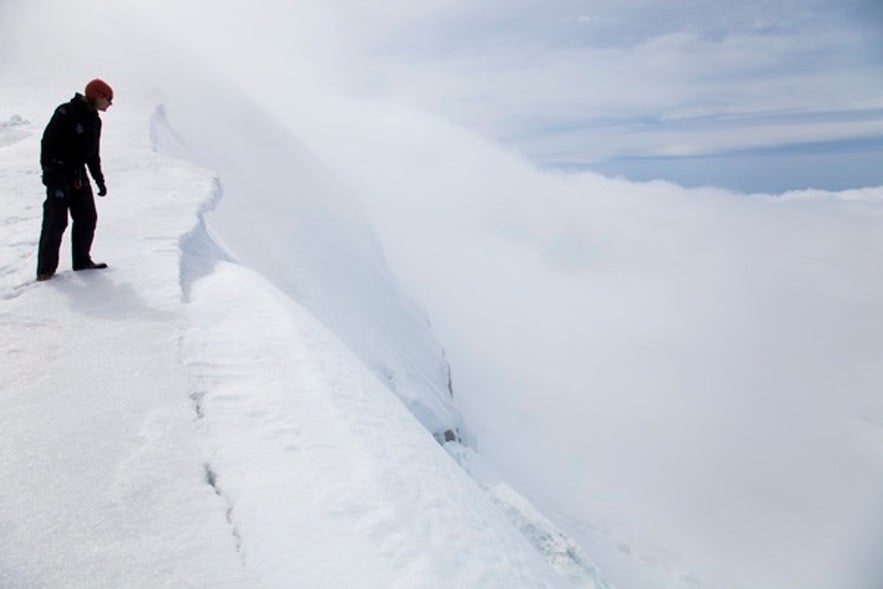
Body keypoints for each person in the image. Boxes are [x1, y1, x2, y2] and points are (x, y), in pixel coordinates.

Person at [36, 78, 114, 281]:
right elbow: (47, 142)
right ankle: (45, 270)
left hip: (78, 174)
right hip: (58, 172)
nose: (110, 104)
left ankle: (81, 261)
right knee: (56, 221)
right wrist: (49, 171)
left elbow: (93, 154)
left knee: (87, 217)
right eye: (108, 99)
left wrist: (99, 180)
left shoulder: (95, 120)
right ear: (97, 95)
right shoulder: (66, 112)